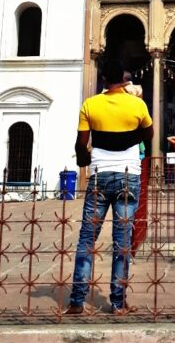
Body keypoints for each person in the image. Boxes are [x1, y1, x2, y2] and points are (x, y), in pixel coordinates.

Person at [66, 58, 154, 316]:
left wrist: (85, 159)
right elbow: (148, 135)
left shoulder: (91, 104)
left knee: (87, 239)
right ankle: (117, 303)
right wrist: (130, 138)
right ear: (125, 82)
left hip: (98, 177)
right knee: (122, 241)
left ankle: (76, 301)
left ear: (104, 80)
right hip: (128, 176)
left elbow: (81, 144)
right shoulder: (137, 105)